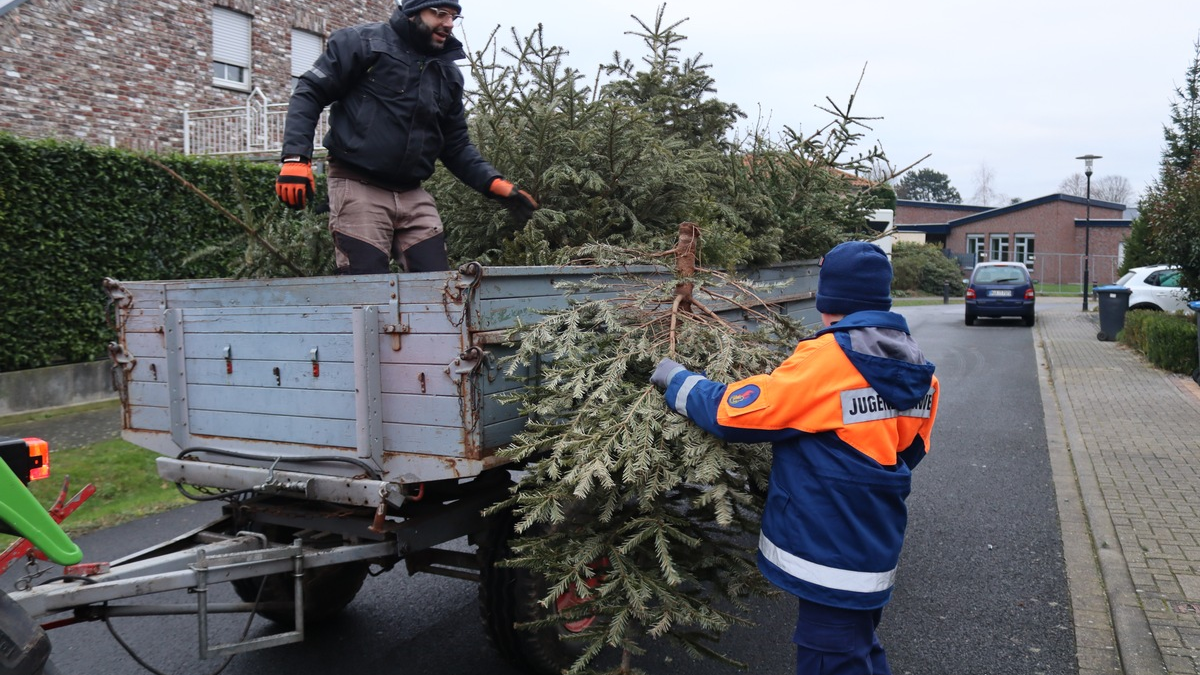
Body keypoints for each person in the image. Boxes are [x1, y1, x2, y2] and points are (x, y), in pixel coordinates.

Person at [650, 241, 939, 674]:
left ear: (828, 302)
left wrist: (678, 380)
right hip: (874, 539)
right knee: (858, 648)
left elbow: (734, 412)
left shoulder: (829, 359)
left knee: (832, 660)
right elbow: (910, 450)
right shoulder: (920, 369)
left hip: (829, 552)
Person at [275, 0, 537, 275]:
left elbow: (456, 144)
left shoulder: (447, 73)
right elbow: (310, 92)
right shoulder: (364, 43)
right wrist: (296, 158)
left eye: (454, 16)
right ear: (413, 13)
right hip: (358, 186)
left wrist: (492, 182)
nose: (448, 23)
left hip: (412, 193)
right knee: (366, 287)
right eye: (440, 14)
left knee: (438, 287)